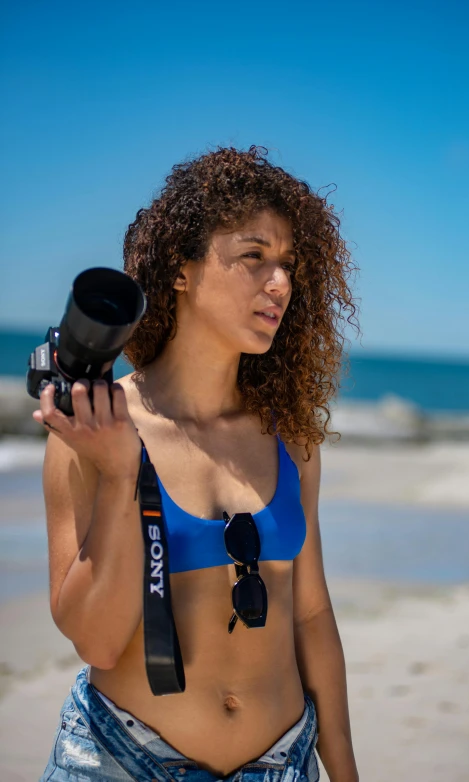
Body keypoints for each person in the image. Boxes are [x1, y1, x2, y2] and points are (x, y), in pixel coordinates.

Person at [35, 145, 360, 781]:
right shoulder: (96, 426)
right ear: (181, 271)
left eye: (289, 265)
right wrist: (124, 475)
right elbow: (96, 641)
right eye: (254, 257)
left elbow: (312, 613)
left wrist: (342, 765)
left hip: (282, 761)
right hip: (123, 761)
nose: (281, 283)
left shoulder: (290, 437)